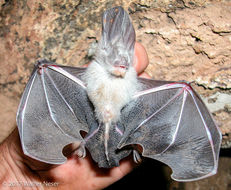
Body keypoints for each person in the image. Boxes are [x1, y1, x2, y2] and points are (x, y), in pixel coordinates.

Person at [0, 43, 149, 190]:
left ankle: (134, 146)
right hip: (94, 128)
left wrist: (15, 169)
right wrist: (16, 168)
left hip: (115, 131)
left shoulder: (129, 86)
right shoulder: (92, 81)